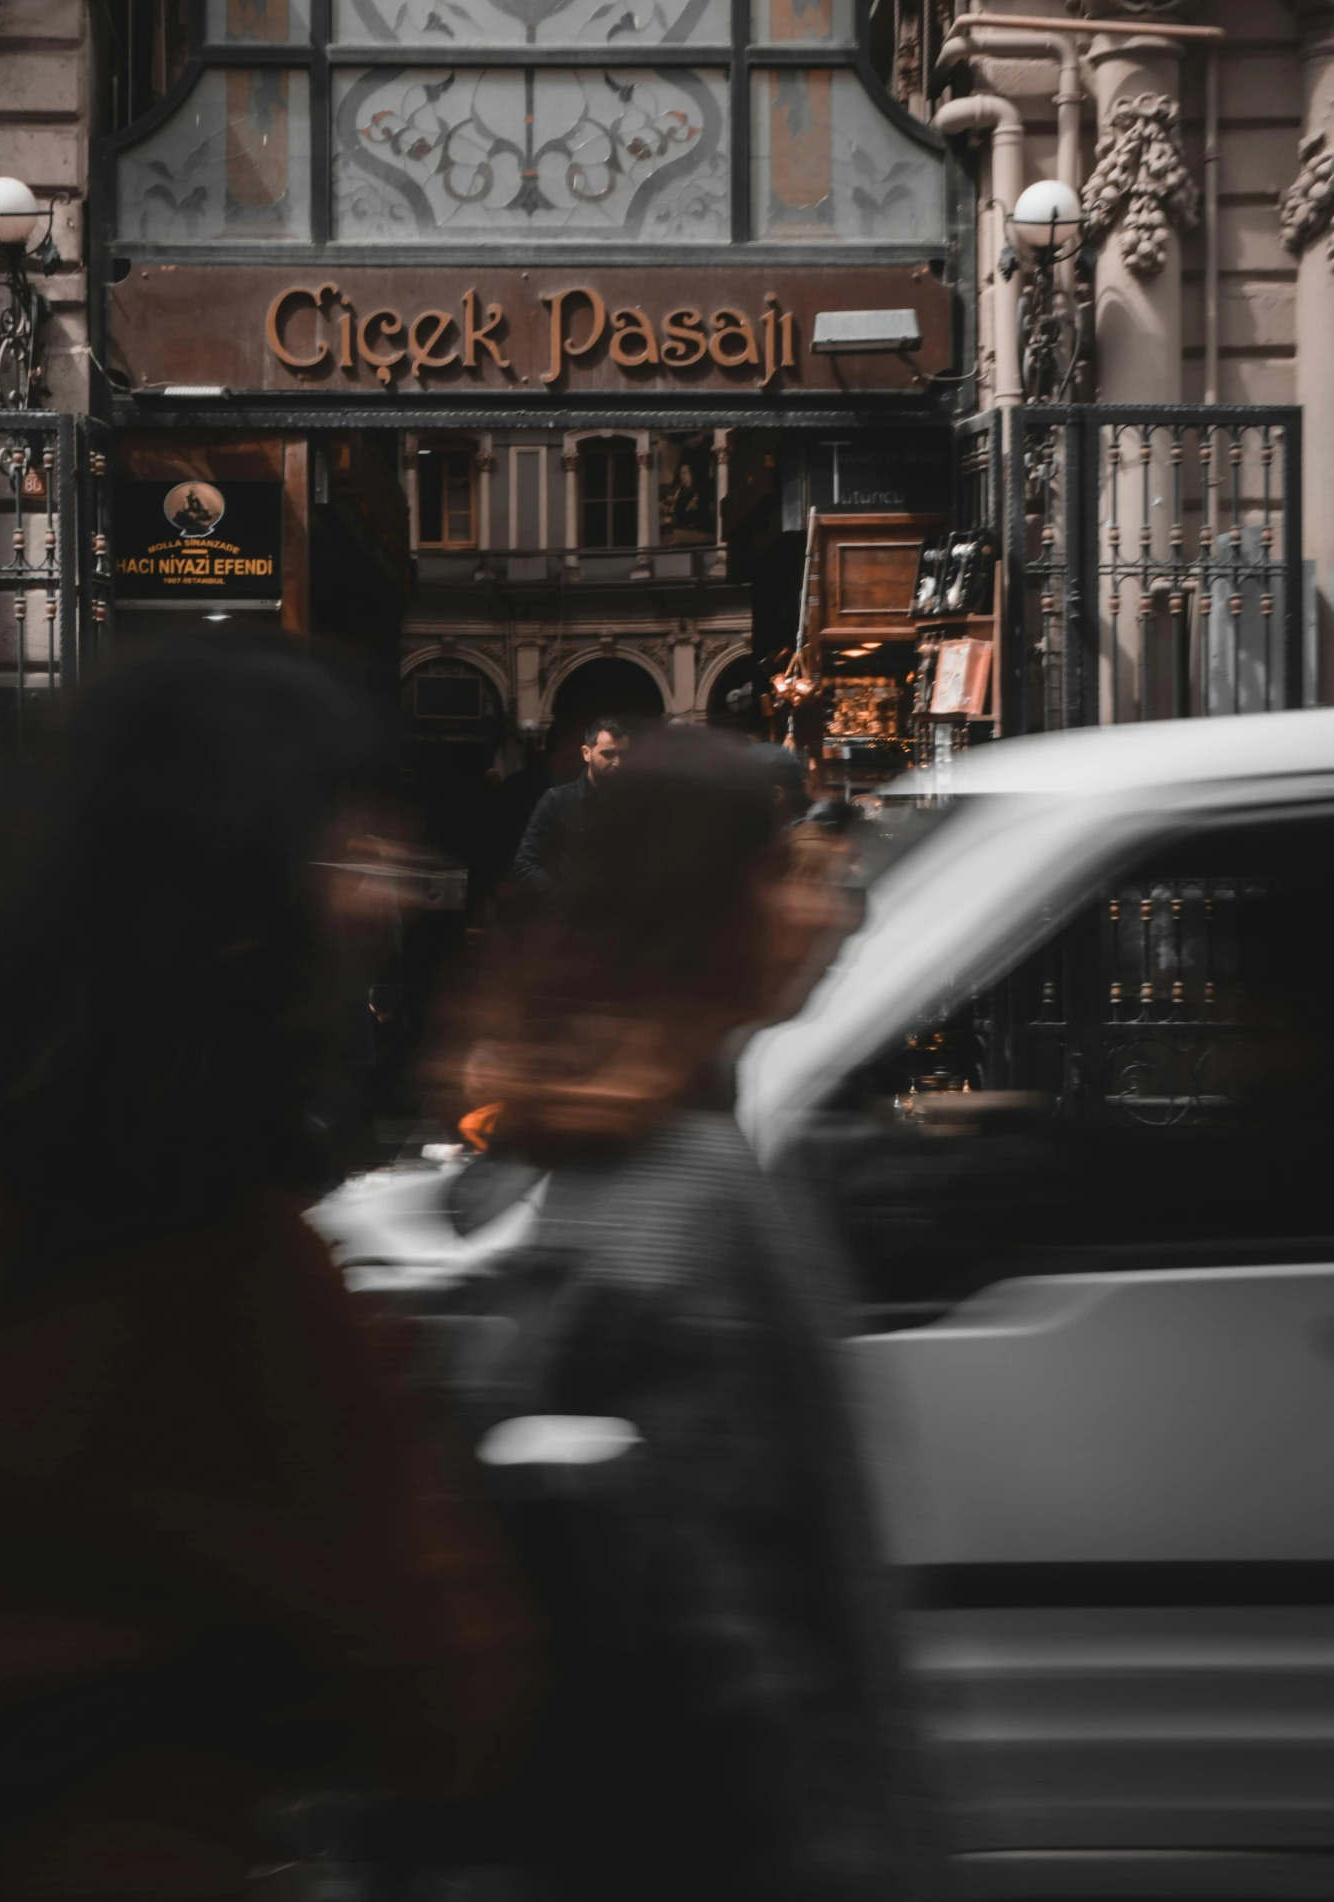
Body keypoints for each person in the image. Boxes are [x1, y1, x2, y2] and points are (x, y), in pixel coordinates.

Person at [0, 641, 537, 1902]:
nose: (393, 896)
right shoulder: (224, 1270)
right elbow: (440, 1688)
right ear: (240, 893)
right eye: (349, 855)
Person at [450, 729, 936, 1902]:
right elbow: (728, 1629)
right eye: (782, 866)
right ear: (697, 905)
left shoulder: (631, 1144)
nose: (828, 904)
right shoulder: (681, 1187)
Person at [510, 716, 627, 897]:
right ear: (586, 753)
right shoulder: (557, 800)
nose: (618, 763)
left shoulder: (635, 801)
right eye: (608, 754)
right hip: (575, 917)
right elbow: (525, 863)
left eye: (623, 755)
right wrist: (562, 899)